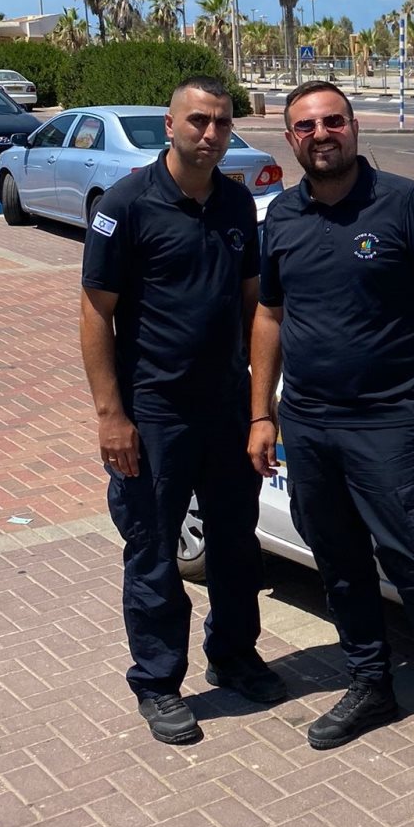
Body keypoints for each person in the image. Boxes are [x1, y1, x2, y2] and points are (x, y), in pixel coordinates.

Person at [250, 81, 414, 784]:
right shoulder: (281, 216)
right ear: (290, 139)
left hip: (392, 422)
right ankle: (370, 684)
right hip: (309, 423)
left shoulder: (405, 202)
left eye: (333, 121)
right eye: (306, 126)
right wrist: (261, 413)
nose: (321, 134)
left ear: (353, 128)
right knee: (340, 564)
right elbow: (269, 316)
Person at [79, 76, 286, 746]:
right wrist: (111, 416)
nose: (211, 133)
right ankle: (158, 682)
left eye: (222, 122)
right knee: (154, 553)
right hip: (153, 416)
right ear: (170, 126)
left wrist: (260, 408)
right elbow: (95, 314)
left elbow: (255, 306)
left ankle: (234, 656)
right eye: (198, 120)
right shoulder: (127, 205)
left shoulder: (236, 203)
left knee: (235, 545)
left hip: (225, 409)